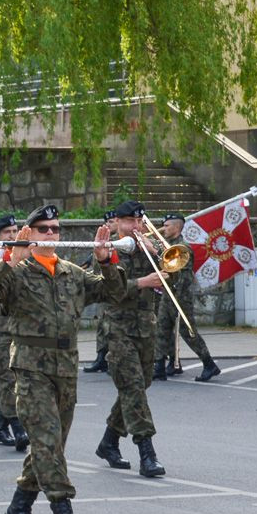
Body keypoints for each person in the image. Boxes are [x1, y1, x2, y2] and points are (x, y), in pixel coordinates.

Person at [0, 205, 125, 514]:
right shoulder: (17, 272)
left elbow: (114, 293)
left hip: (66, 367)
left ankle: (19, 506)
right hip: (30, 367)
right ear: (29, 234)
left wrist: (104, 260)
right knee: (46, 443)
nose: (51, 235)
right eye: (43, 229)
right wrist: (9, 258)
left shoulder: (71, 273)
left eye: (55, 228)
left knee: (50, 446)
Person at [95, 200, 168, 478]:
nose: (136, 227)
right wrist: (142, 282)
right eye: (130, 222)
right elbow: (106, 290)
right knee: (133, 386)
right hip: (119, 328)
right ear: (118, 222)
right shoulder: (107, 250)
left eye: (140, 222)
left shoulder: (149, 248)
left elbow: (170, 277)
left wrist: (157, 256)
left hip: (146, 326)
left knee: (139, 385)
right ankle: (146, 451)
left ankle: (109, 441)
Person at [153, 213, 220, 382]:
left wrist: (152, 246)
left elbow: (175, 269)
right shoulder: (170, 244)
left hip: (180, 296)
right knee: (161, 329)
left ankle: (209, 364)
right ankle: (159, 366)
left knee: (188, 332)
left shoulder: (183, 247)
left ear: (176, 227)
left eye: (167, 226)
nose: (164, 229)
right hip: (168, 294)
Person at [0, 213, 29, 451]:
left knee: (18, 380)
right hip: (0, 329)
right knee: (5, 378)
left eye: (14, 231)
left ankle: (1, 427)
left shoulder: (27, 259)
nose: (12, 235)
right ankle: (16, 427)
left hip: (21, 328)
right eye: (7, 233)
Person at [83, 209, 117, 373]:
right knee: (102, 325)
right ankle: (101, 357)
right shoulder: (105, 240)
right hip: (100, 285)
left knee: (112, 326)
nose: (108, 225)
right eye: (106, 223)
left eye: (111, 222)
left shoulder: (121, 243)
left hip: (113, 288)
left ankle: (111, 358)